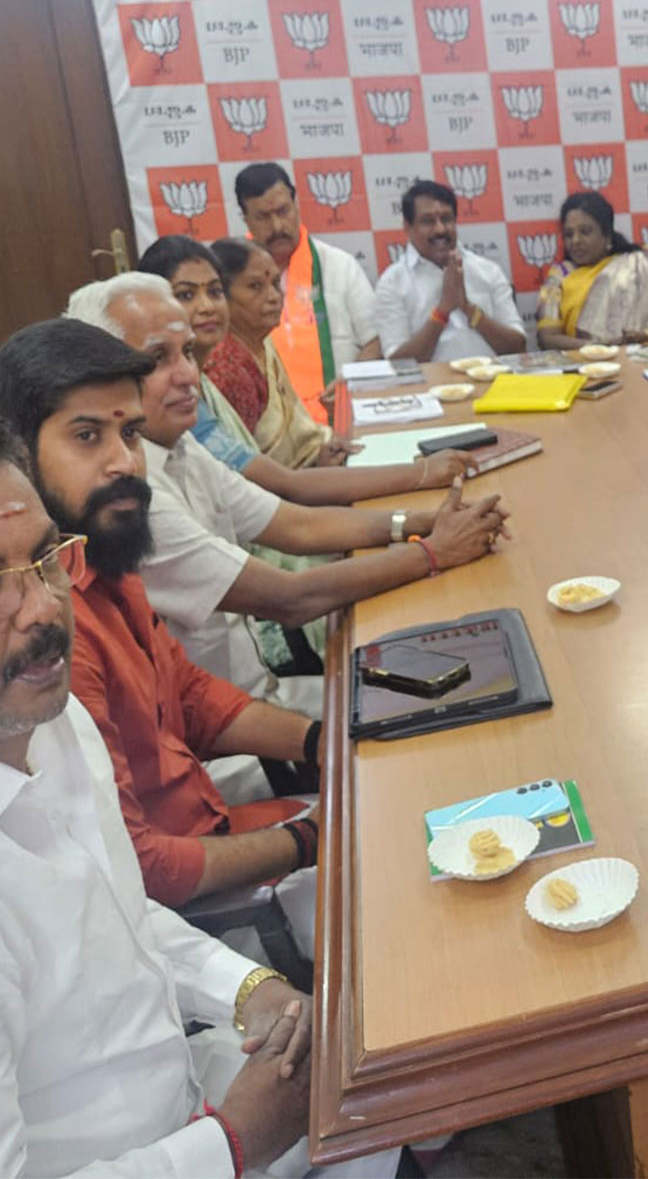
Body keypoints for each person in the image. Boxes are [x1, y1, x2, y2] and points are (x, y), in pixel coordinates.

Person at [0, 422, 397, 1177]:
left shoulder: (53, 723)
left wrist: (252, 991)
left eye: (46, 560)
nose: (42, 609)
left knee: (386, 1087)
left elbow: (116, 907)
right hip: (162, 1152)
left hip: (180, 1090)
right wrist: (232, 1143)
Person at [56, 277, 509, 713]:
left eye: (188, 353)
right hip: (229, 741)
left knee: (475, 675)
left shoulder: (176, 443)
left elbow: (294, 523)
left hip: (257, 699)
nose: (188, 375)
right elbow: (289, 597)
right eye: (157, 359)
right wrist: (433, 552)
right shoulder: (130, 491)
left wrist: (423, 522)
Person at [0, 321, 322, 929]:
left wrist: (315, 742)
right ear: (18, 453)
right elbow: (142, 870)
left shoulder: (103, 557)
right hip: (214, 914)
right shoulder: (43, 634)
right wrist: (309, 840)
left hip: (225, 831)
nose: (124, 462)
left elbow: (190, 696)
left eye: (130, 433)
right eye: (88, 436)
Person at [136, 235, 475, 502]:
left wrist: (316, 455)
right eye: (185, 295)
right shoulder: (221, 371)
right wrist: (420, 474)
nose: (207, 306)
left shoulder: (245, 353)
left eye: (213, 292)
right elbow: (282, 490)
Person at [235, 161, 381, 425]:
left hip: (341, 419)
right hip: (268, 433)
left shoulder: (338, 265)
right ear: (246, 219)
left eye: (283, 211)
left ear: (296, 206)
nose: (278, 225)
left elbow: (374, 342)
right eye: (263, 217)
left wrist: (350, 382)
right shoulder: (232, 278)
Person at [204, 238, 351, 471]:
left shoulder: (261, 343)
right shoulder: (227, 368)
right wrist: (314, 470)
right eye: (255, 287)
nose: (274, 296)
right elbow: (245, 473)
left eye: (275, 283)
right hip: (285, 493)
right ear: (222, 294)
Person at [374, 180, 526, 363]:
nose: (440, 229)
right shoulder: (393, 283)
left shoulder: (487, 271)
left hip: (493, 384)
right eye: (428, 221)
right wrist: (442, 311)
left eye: (446, 219)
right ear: (407, 227)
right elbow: (398, 363)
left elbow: (518, 346)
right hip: (427, 389)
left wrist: (469, 309)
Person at [535, 191, 648, 349]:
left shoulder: (640, 263)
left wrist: (646, 333)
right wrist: (596, 347)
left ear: (607, 235)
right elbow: (547, 338)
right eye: (569, 234)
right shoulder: (559, 276)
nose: (576, 240)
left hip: (640, 357)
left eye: (585, 232)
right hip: (582, 364)